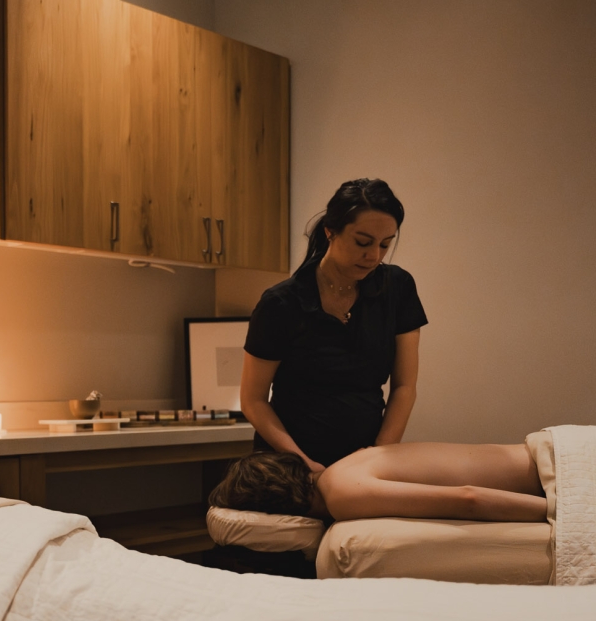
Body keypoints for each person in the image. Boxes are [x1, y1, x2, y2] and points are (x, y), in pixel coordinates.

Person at [241, 178, 428, 471]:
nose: (374, 256)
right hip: (289, 464)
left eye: (385, 244)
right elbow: (253, 401)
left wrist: (378, 456)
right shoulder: (281, 303)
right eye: (363, 242)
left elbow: (404, 386)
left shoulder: (398, 288)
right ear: (330, 231)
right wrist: (305, 465)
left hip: (365, 461)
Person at [210, 443, 547, 524]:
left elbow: (468, 498)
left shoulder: (341, 495)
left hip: (558, 473)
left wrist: (568, 512)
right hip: (544, 451)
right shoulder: (346, 464)